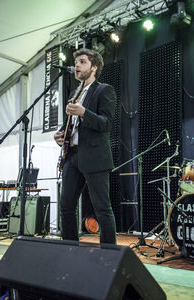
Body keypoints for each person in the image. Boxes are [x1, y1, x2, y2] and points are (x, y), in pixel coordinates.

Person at [54, 48, 116, 244]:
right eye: (77, 62)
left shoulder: (104, 89)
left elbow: (106, 123)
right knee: (66, 206)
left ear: (94, 67)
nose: (77, 66)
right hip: (72, 155)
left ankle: (109, 255)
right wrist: (61, 134)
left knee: (102, 208)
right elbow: (72, 125)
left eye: (82, 62)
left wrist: (83, 112)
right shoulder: (75, 92)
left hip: (95, 157)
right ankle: (69, 248)